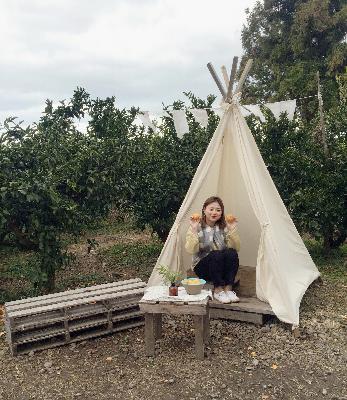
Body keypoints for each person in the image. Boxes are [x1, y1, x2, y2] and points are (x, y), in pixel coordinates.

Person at [185, 196, 240, 304]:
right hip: (203, 267)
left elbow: (236, 248)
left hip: (220, 266)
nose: (214, 212)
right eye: (211, 209)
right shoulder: (197, 225)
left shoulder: (223, 226)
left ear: (221, 213)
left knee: (232, 252)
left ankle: (228, 289)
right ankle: (218, 290)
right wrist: (194, 230)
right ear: (204, 210)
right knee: (216, 254)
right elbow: (190, 249)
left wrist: (232, 230)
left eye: (218, 210)